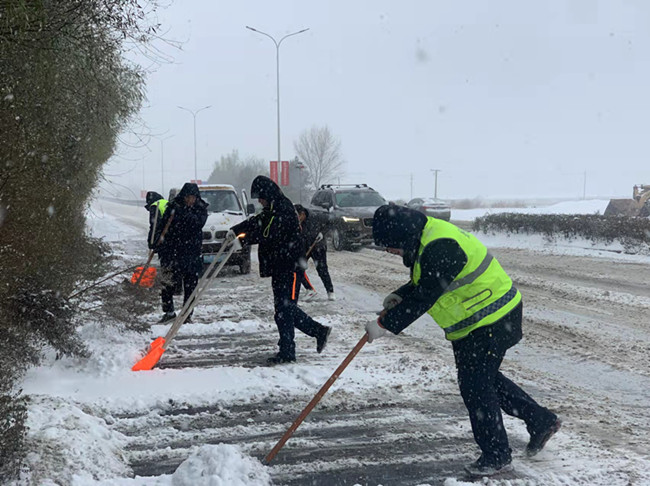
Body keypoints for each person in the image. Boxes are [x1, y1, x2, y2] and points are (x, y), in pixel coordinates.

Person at [366, 204, 561, 477]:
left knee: (475, 385)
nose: (390, 252)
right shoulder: (426, 238)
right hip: (478, 323)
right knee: (485, 379)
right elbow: (426, 281)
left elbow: (428, 293)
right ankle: (540, 420)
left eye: (390, 246)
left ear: (400, 235)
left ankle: (497, 455)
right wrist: (400, 296)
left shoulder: (440, 245)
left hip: (493, 317)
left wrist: (385, 324)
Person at [230, 176, 331, 364]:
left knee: (286, 309)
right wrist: (236, 230)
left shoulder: (283, 209)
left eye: (260, 197)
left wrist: (243, 241)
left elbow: (268, 232)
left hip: (290, 267)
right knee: (281, 310)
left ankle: (317, 332)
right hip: (280, 266)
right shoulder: (272, 209)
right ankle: (287, 351)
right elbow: (257, 222)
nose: (259, 201)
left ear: (268, 194)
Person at [154, 183, 208, 323]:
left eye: (193, 198)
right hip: (172, 250)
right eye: (188, 197)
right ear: (184, 197)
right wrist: (157, 242)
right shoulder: (172, 207)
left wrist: (182, 212)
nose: (191, 200)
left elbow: (196, 223)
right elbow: (163, 225)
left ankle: (187, 314)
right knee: (168, 282)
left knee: (190, 284)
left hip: (191, 252)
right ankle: (169, 311)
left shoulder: (201, 209)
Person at [294, 204, 335, 301]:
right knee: (298, 268)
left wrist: (323, 233)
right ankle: (309, 289)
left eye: (298, 217)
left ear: (303, 214)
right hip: (304, 246)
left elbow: (330, 222)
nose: (297, 220)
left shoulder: (316, 216)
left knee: (322, 269)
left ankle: (330, 291)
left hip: (318, 246)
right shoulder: (296, 222)